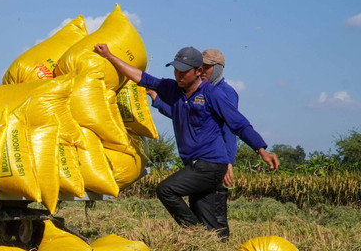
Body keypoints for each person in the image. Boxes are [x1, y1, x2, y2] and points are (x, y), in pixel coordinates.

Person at [94, 43, 279, 240]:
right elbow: (143, 78)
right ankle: (214, 245)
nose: (178, 75)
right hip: (195, 164)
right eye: (175, 70)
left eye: (184, 71)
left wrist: (262, 150)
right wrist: (110, 56)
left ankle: (195, 234)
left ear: (198, 71)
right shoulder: (175, 91)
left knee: (166, 189)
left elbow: (239, 124)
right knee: (210, 224)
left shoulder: (213, 94)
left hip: (210, 164)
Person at [147, 48, 237, 238]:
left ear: (219, 68)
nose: (203, 71)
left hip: (216, 159)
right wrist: (156, 99)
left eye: (208, 67)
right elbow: (181, 115)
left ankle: (213, 244)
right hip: (200, 161)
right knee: (201, 207)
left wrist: (229, 161)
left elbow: (230, 128)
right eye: (200, 67)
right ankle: (206, 243)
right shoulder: (194, 92)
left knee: (217, 212)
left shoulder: (224, 92)